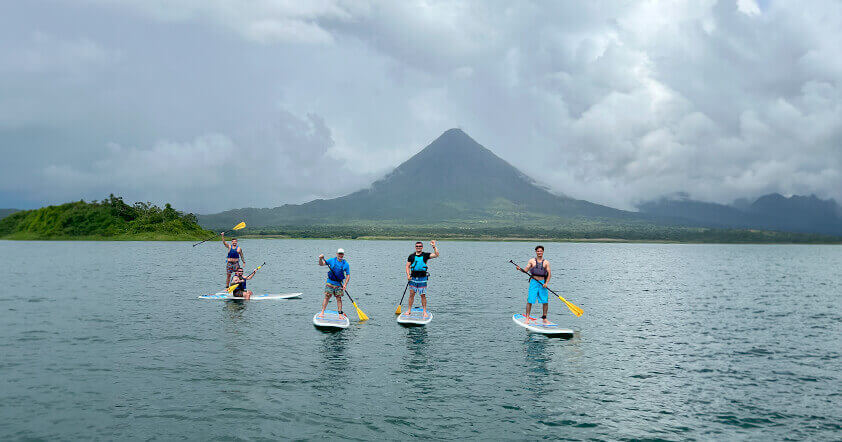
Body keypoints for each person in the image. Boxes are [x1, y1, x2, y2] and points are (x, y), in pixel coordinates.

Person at [515, 245, 551, 324]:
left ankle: (544, 318)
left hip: (542, 283)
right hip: (534, 282)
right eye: (538, 251)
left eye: (541, 251)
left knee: (545, 301)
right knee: (530, 300)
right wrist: (519, 269)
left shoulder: (546, 262)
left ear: (543, 252)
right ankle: (527, 318)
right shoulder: (531, 261)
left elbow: (549, 274)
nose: (539, 252)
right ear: (536, 252)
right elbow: (525, 270)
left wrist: (546, 283)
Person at [404, 240, 439, 318]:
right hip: (413, 278)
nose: (418, 247)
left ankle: (424, 311)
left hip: (422, 278)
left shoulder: (425, 255)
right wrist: (408, 275)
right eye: (417, 246)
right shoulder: (411, 256)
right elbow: (407, 266)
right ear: (415, 247)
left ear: (422, 247)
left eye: (420, 246)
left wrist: (434, 246)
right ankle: (409, 310)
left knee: (422, 295)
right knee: (411, 294)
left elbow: (436, 255)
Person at [318, 248, 350, 318]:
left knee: (339, 299)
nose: (340, 255)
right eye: (339, 254)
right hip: (330, 283)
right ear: (337, 254)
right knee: (327, 297)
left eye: (342, 254)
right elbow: (321, 264)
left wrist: (345, 284)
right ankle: (322, 312)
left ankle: (340, 314)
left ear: (343, 255)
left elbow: (348, 275)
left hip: (339, 284)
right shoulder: (331, 260)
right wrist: (320, 259)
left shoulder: (346, 264)